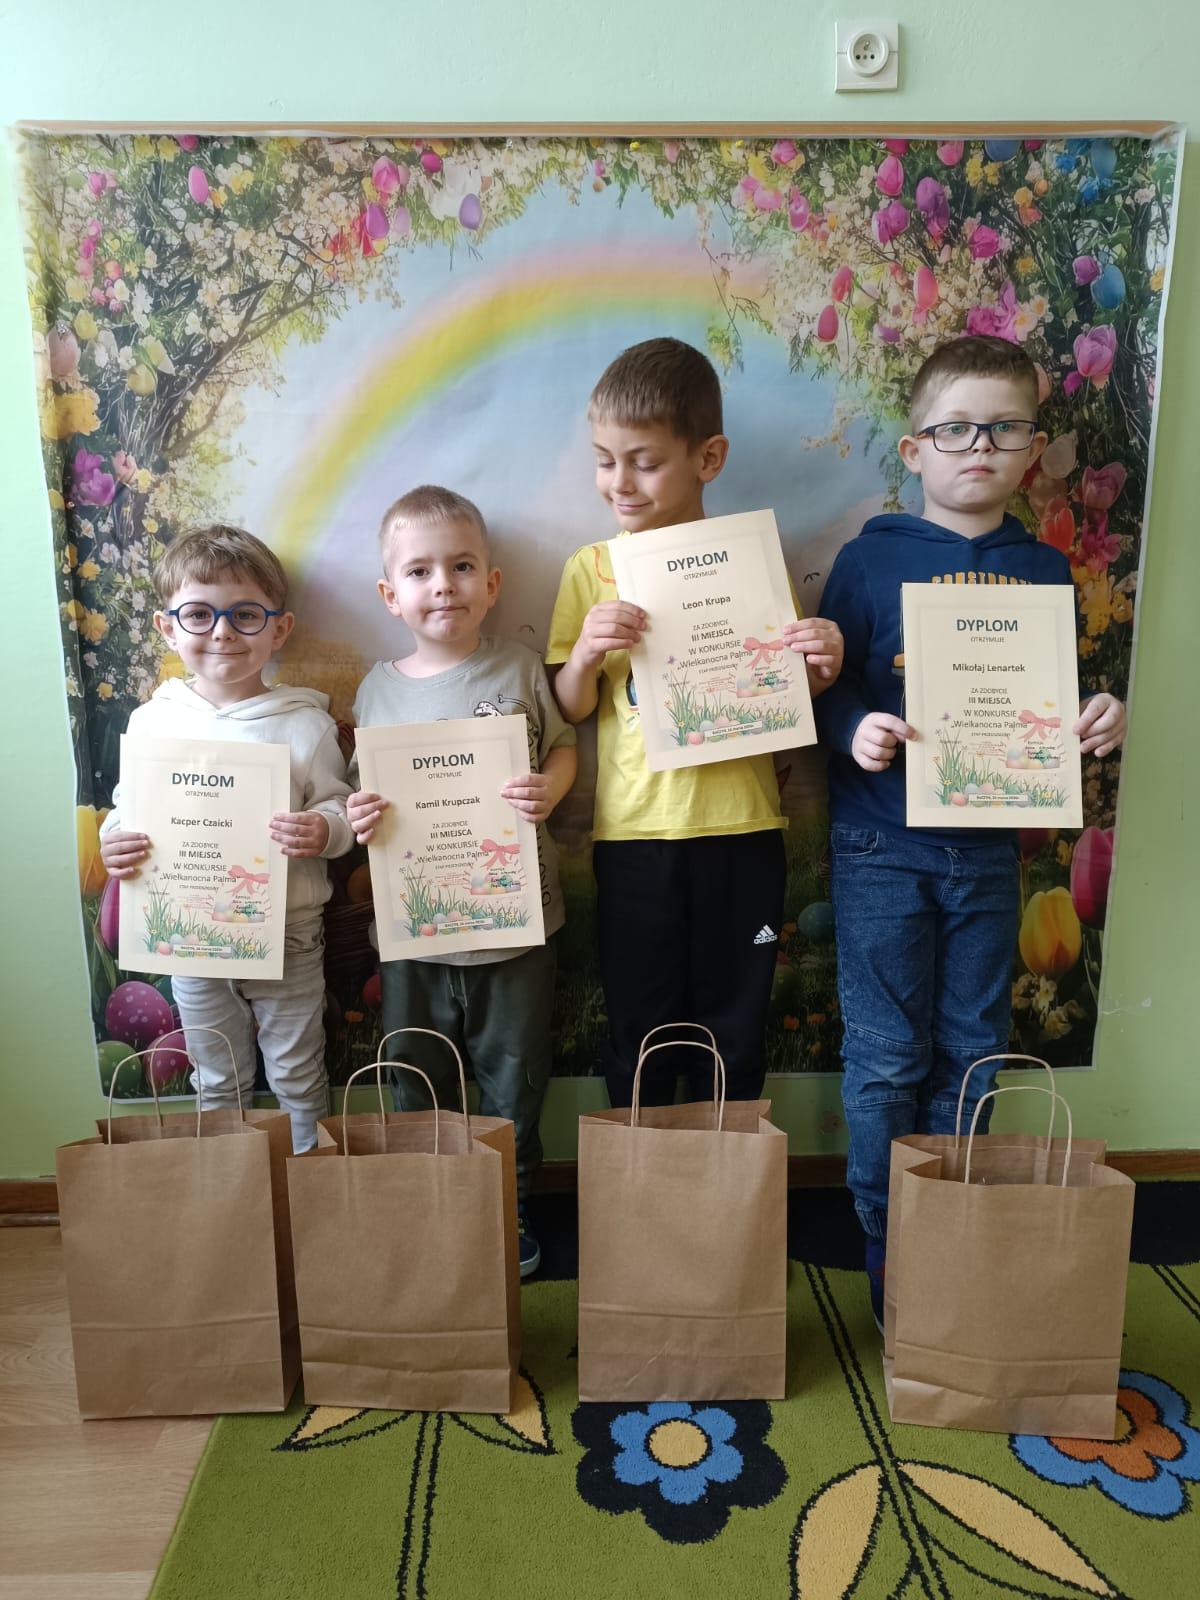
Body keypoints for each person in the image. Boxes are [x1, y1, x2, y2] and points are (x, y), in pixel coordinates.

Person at [813, 335, 1128, 1328]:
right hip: (881, 845)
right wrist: (853, 728)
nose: (980, 447)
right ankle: (885, 1245)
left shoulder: (1043, 570)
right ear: (916, 450)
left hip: (989, 854)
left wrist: (1097, 714)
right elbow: (826, 689)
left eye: (1003, 429)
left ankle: (949, 1238)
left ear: (1032, 449)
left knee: (973, 1050)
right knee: (885, 1057)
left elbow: (1048, 705)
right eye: (956, 429)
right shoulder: (868, 560)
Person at [546, 336, 843, 1108]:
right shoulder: (589, 569)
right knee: (640, 1025)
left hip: (743, 830)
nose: (619, 482)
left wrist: (819, 668)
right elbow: (571, 707)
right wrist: (586, 653)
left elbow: (790, 699)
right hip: (636, 835)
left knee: (735, 1026)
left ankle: (729, 1172)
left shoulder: (753, 560)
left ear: (708, 458)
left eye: (644, 462)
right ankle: (638, 1173)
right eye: (604, 460)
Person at [347, 485, 577, 1277]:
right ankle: (433, 1204)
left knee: (514, 1076)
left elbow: (564, 747)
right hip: (413, 936)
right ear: (391, 595)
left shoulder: (518, 668)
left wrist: (551, 788)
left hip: (517, 929)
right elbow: (363, 796)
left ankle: (509, 1207)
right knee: (417, 1073)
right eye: (420, 571)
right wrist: (360, 814)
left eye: (462, 566)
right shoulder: (376, 690)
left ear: (493, 583)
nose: (443, 585)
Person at [99, 523, 353, 1152]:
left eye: (245, 614)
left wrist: (323, 829)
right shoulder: (153, 722)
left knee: (297, 1072)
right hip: (190, 938)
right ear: (167, 628)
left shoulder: (305, 725)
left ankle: (308, 1185)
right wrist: (115, 840)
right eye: (199, 614)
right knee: (216, 1076)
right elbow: (128, 810)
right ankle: (233, 1189)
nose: (222, 632)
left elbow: (340, 806)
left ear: (279, 629)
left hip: (289, 934)